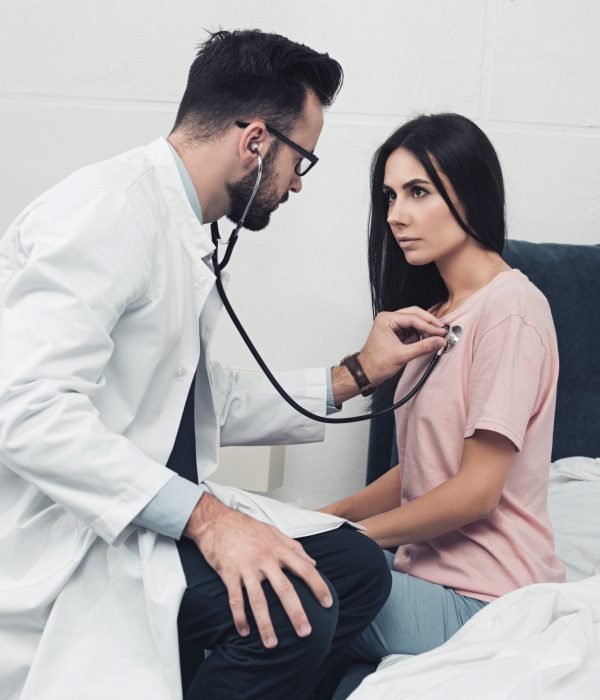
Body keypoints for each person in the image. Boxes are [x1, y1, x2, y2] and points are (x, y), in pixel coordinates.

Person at [0, 31, 448, 700]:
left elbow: (193, 402)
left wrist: (356, 372)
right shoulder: (106, 213)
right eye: (302, 161)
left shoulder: (182, 223)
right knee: (299, 606)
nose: (298, 183)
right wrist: (211, 520)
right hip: (78, 528)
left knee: (358, 569)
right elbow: (24, 408)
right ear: (256, 141)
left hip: (144, 510)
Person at [321, 113, 566, 668]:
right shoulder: (436, 315)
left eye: (418, 192)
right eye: (389, 196)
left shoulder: (512, 310)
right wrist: (322, 519)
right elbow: (424, 470)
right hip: (423, 577)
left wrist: (350, 538)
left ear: (471, 191)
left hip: (484, 600)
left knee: (282, 595)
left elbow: (476, 492)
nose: (396, 216)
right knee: (268, 566)